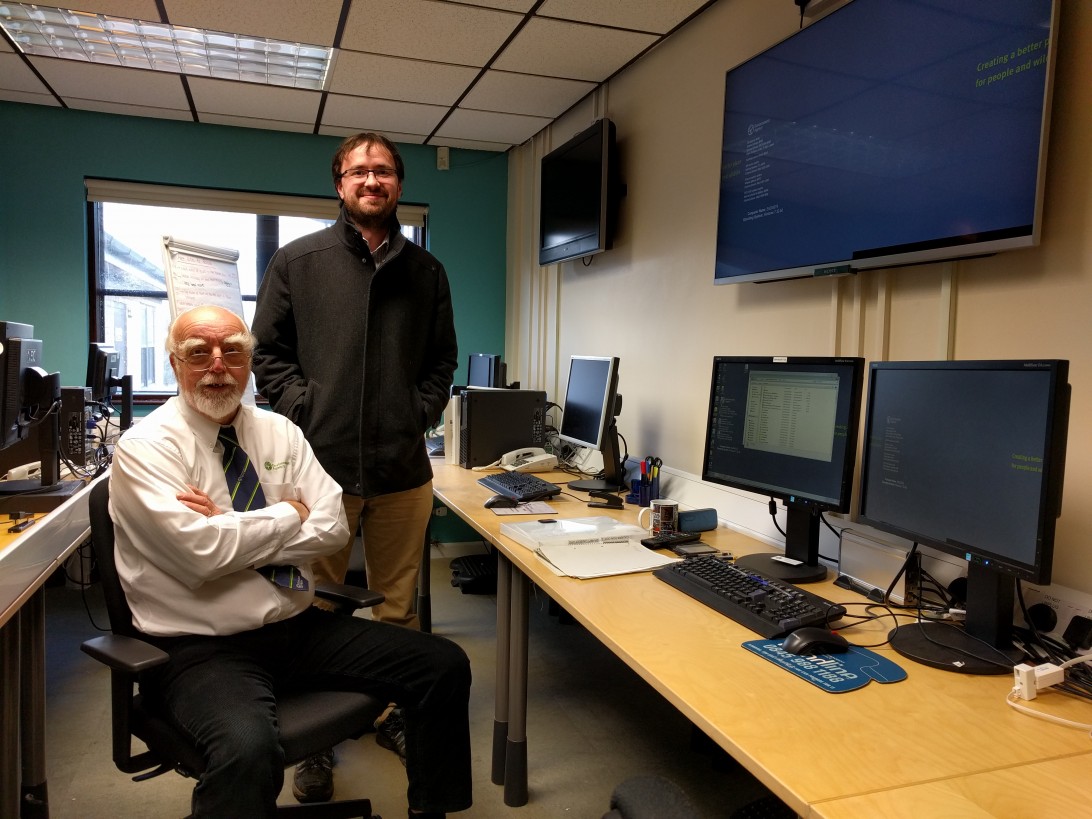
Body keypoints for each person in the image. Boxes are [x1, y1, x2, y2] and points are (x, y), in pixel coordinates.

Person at [109, 305, 472, 818]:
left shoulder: (280, 432)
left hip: (296, 627)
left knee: (442, 664)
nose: (218, 364)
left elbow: (332, 528)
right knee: (246, 749)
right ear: (174, 363)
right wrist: (287, 513)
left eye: (232, 350)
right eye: (199, 352)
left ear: (249, 360)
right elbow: (201, 554)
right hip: (199, 648)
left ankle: (431, 810)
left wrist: (231, 524)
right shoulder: (145, 449)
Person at [251, 131, 458, 796]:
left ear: (399, 184)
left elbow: (441, 360)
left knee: (400, 613)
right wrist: (306, 408)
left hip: (403, 473)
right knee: (312, 612)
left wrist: (416, 411)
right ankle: (318, 738)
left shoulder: (426, 273)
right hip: (319, 475)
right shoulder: (297, 260)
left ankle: (395, 714)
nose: (373, 180)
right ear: (338, 183)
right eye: (359, 170)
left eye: (386, 171)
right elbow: (268, 355)